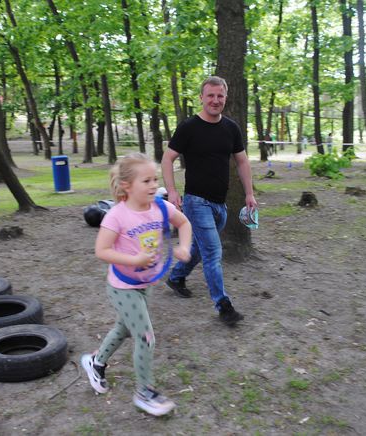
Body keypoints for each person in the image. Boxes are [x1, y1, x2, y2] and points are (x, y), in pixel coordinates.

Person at [81, 152, 192, 417]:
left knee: (125, 328)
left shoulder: (161, 208)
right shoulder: (116, 216)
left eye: (155, 179)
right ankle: (145, 392)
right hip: (122, 286)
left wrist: (184, 247)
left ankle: (95, 362)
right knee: (145, 336)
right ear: (127, 186)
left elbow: (184, 222)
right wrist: (134, 259)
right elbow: (102, 251)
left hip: (146, 284)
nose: (154, 185)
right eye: (146, 181)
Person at [161, 75, 258, 326]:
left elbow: (242, 161)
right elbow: (167, 158)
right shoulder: (189, 127)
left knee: (201, 249)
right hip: (196, 202)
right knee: (213, 252)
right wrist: (172, 191)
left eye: (220, 96)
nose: (215, 100)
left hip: (220, 204)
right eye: (210, 95)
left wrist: (249, 193)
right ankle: (223, 305)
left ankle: (176, 276)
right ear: (201, 98)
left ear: (226, 98)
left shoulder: (231, 128)